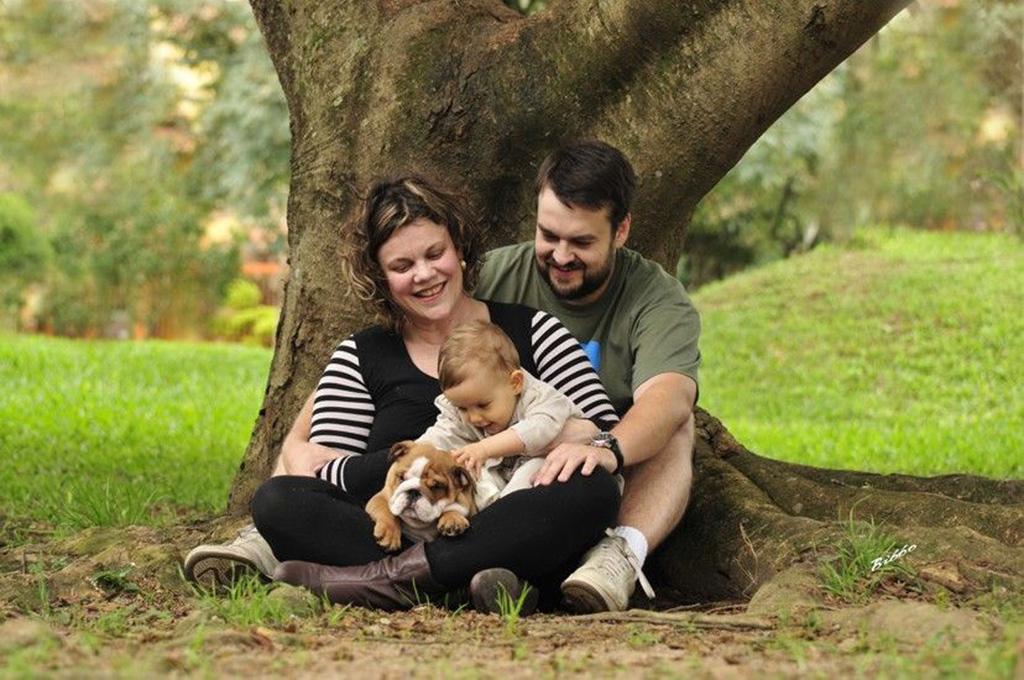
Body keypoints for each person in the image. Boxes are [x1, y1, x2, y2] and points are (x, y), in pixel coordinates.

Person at [185, 175, 622, 613]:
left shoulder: (534, 332)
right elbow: (327, 473)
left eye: (436, 254)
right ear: (379, 274)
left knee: (593, 490)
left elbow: (603, 435)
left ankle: (386, 583)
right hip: (397, 532)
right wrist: (418, 464)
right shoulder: (362, 355)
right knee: (278, 501)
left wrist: (534, 442)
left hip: (513, 517)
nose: (425, 274)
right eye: (402, 266)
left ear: (460, 249)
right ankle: (464, 581)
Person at [475, 140, 702, 613]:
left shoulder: (657, 298)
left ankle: (616, 558)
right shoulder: (490, 278)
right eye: (548, 235)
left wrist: (605, 450)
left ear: (621, 231)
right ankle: (505, 577)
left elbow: (668, 398)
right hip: (498, 469)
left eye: (581, 242)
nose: (560, 256)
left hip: (600, 478)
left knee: (679, 424)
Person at [419, 319, 588, 510]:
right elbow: (443, 433)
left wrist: (483, 449)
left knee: (530, 470)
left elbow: (538, 430)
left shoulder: (541, 398)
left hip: (568, 476)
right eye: (463, 409)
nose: (473, 418)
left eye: (483, 405)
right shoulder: (466, 410)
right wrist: (416, 453)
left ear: (515, 383)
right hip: (506, 478)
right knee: (471, 471)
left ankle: (503, 513)